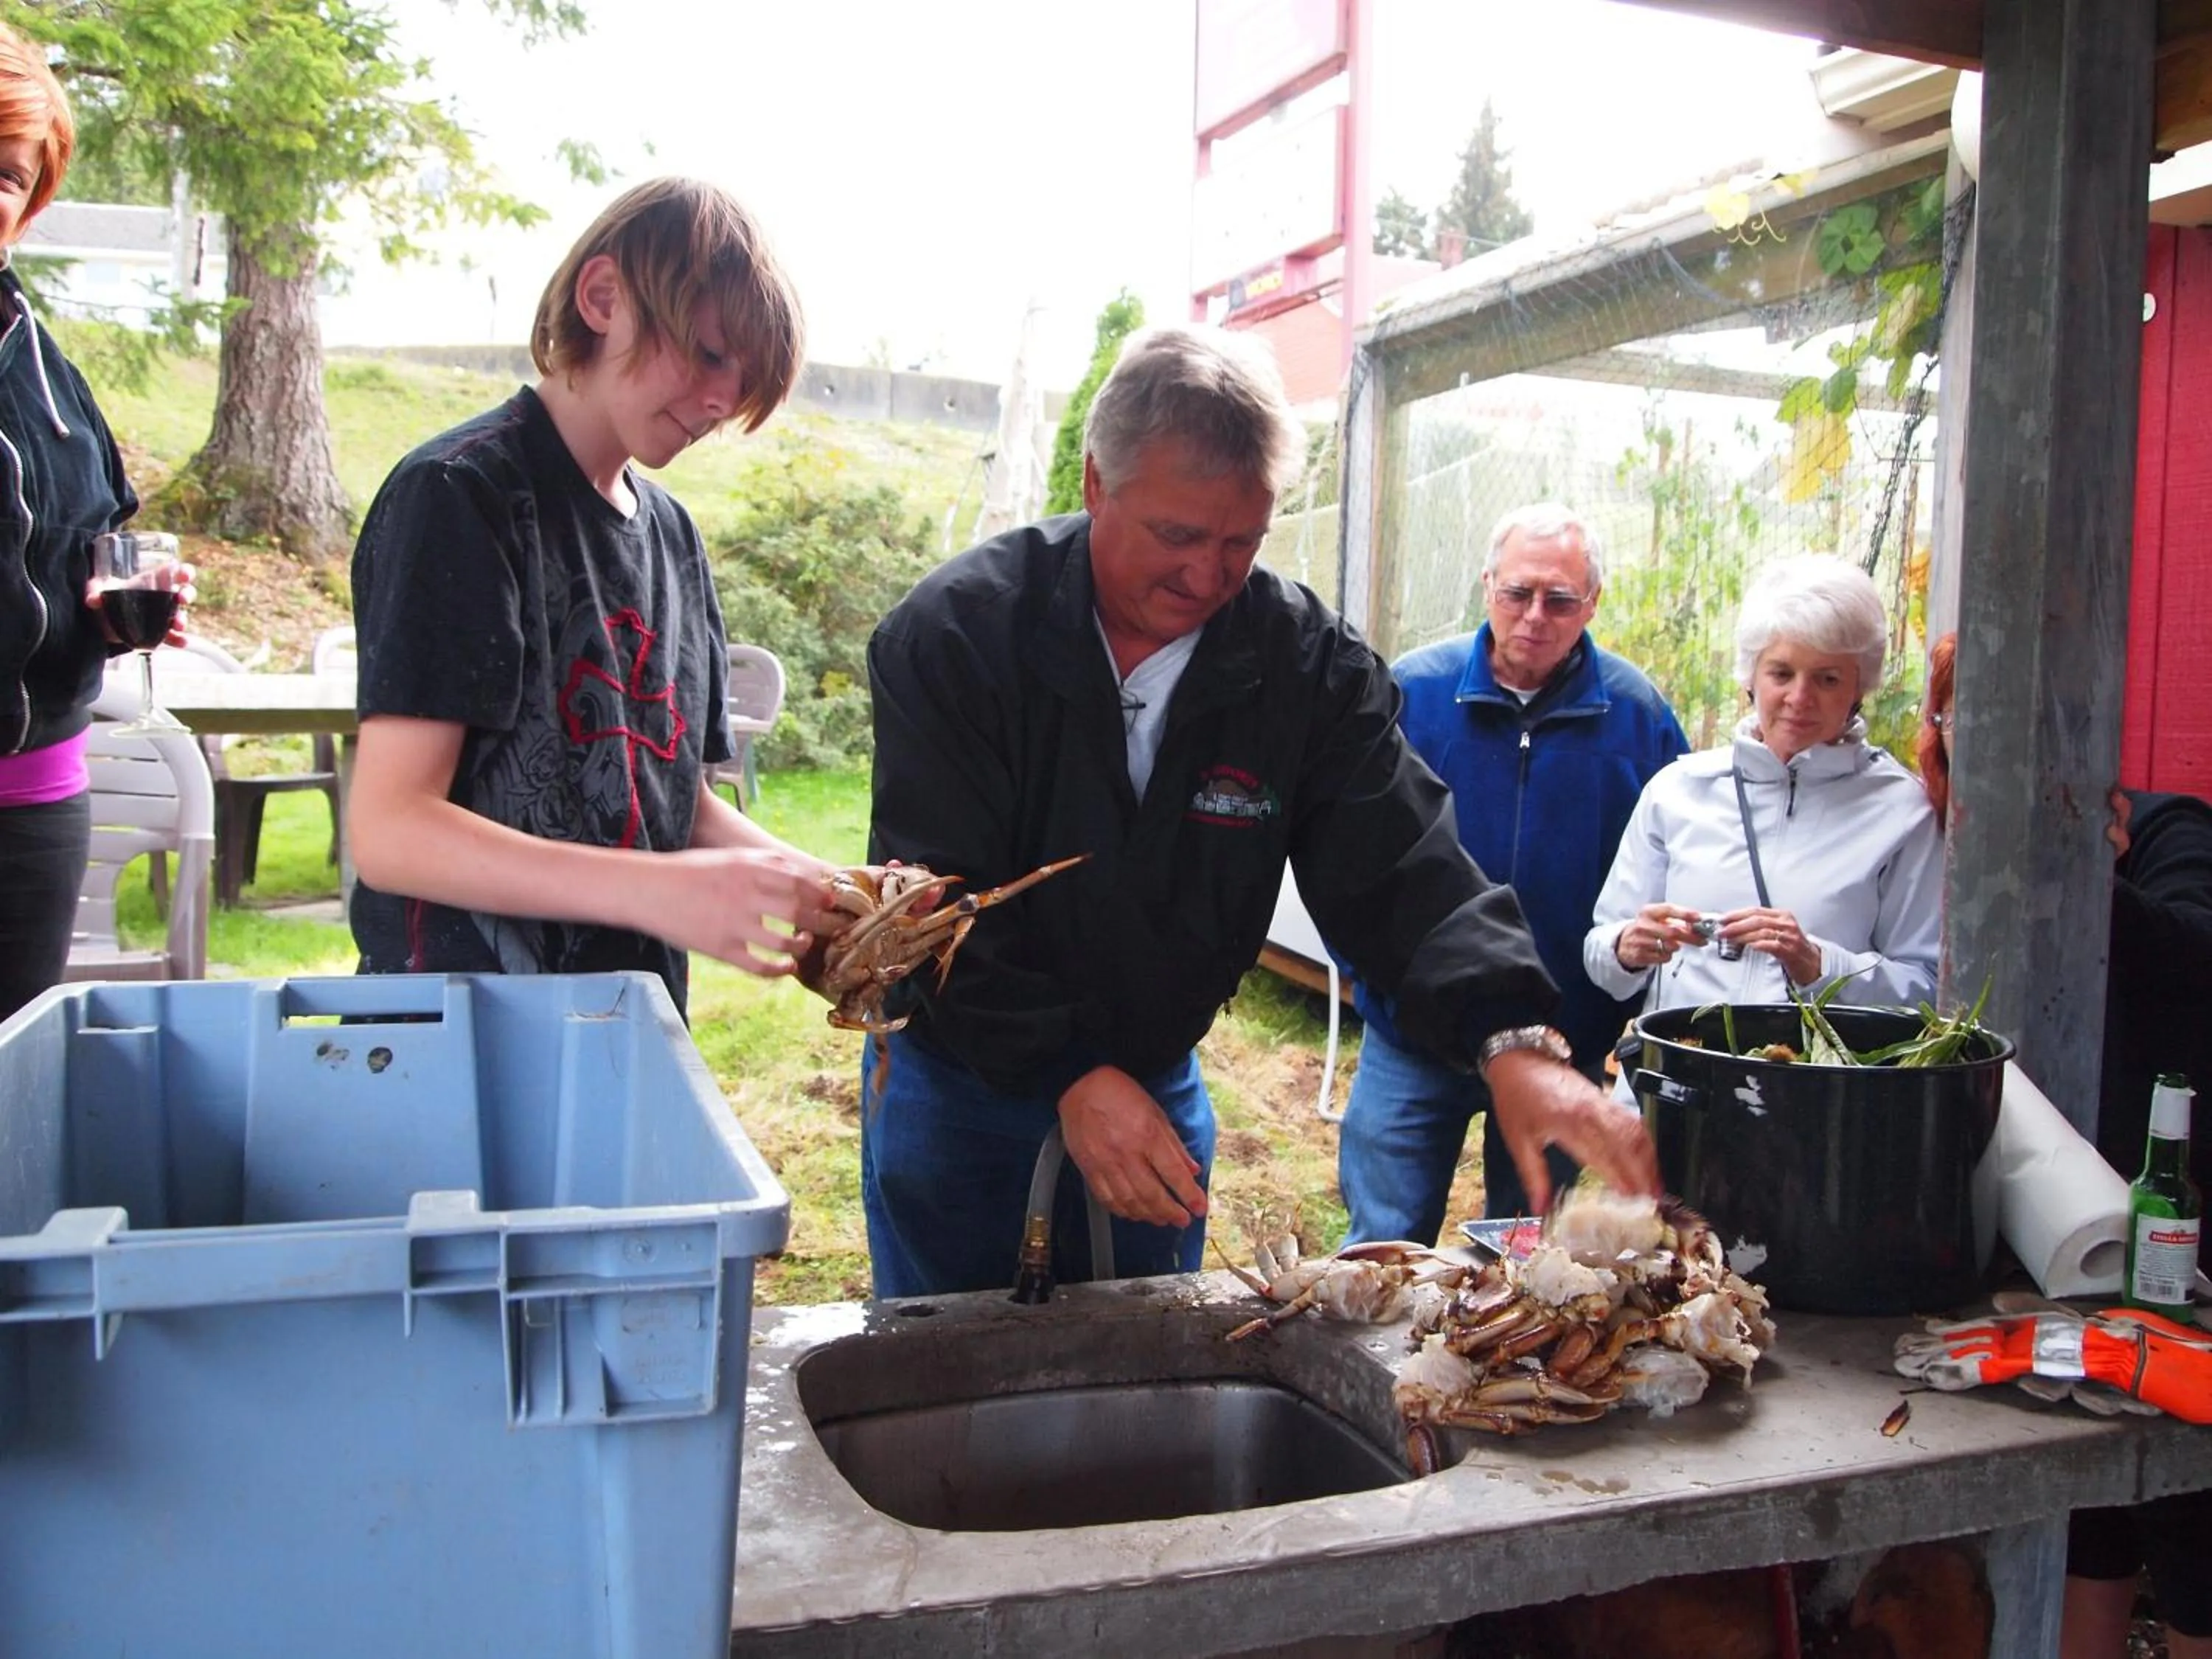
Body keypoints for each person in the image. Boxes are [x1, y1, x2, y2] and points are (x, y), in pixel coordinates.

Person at [860, 324, 1660, 1299]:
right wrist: (1066, 1069)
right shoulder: (956, 637)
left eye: (1243, 541)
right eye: (1179, 536)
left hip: (1152, 1074)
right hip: (962, 1082)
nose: (1209, 577)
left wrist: (1507, 1033)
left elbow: (1401, 857)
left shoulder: (1302, 663)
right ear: (1096, 484)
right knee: (943, 1377)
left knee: (1145, 1374)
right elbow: (930, 899)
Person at [346, 178, 841, 1017]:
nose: (723, 402)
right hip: (458, 1028)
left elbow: (671, 807)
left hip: (625, 1019)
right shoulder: (460, 493)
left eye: (744, 380)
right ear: (604, 297)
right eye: (711, 353)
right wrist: (654, 890)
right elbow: (393, 829)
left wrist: (828, 892)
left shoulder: (674, 536)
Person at [1922, 633, 2212, 1659]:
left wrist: (2092, 872)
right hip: (2033, 1229)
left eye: (2039, 731)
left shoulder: (2172, 832)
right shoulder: (1941, 840)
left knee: (2187, 1511)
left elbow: (2194, 959)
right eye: (1970, 723)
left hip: (2171, 1228)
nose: (2003, 754)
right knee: (2083, 1504)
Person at [1338, 503, 1688, 1243]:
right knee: (1383, 1240)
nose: (1535, 616)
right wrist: (1374, 978)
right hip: (1415, 1035)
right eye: (1517, 593)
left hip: (1562, 1038)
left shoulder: (1637, 717)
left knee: (1533, 1253)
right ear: (1486, 585)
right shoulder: (1414, 695)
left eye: (1560, 600)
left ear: (1593, 603)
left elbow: (1675, 864)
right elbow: (1349, 844)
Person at [0, 24, 190, 1022]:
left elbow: (91, 546)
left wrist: (116, 611)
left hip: (33, 806)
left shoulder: (55, 385)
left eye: (3, 177)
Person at [1584, 554, 1942, 1039]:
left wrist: (1817, 963)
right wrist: (1627, 947)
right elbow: (1601, 957)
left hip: (1816, 1097)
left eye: (1827, 678)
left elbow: (1926, 989)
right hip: (1677, 1087)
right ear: (1750, 676)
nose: (1800, 697)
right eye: (1781, 673)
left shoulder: (1903, 812)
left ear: (1861, 687)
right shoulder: (1677, 791)